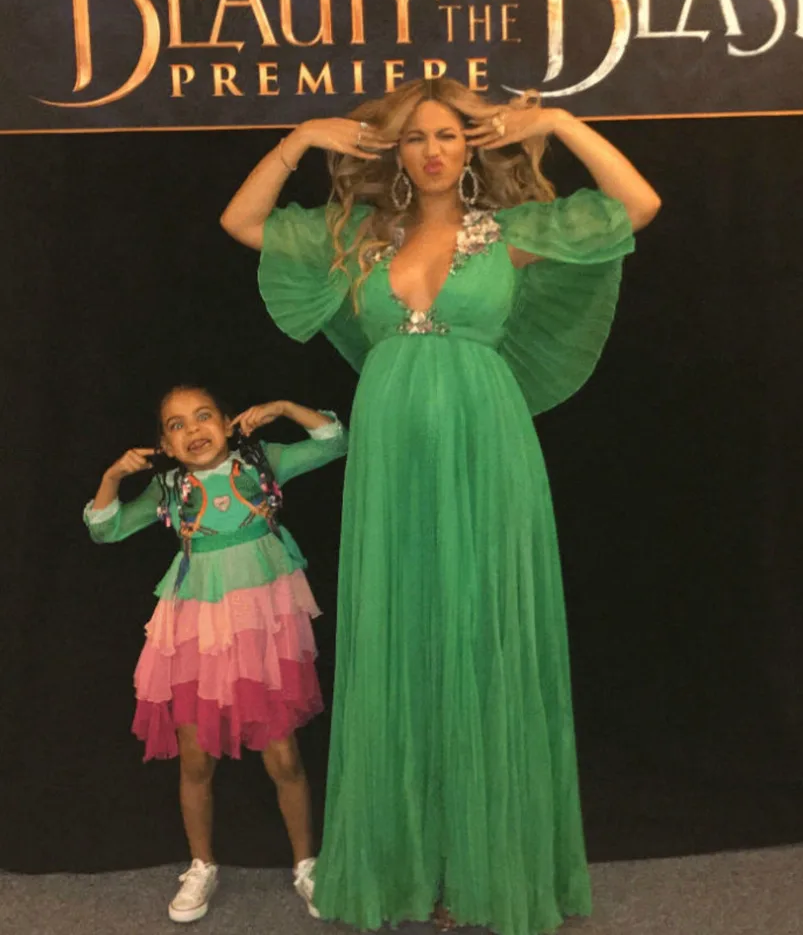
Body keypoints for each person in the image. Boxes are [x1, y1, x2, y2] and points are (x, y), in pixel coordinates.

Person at [220, 77, 661, 935]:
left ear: (472, 147)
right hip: (392, 460)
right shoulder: (359, 237)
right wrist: (300, 139)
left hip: (488, 449)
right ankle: (406, 868)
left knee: (482, 630)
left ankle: (487, 870)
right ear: (394, 149)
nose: (432, 149)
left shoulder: (511, 234)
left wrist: (558, 121)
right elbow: (243, 222)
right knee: (405, 631)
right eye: (417, 136)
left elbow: (637, 205)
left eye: (450, 134)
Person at [84, 387, 347, 923]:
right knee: (196, 755)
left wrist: (283, 410)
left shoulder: (262, 463)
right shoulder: (169, 488)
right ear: (165, 445)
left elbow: (333, 441)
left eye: (204, 417)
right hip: (195, 632)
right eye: (176, 425)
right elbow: (105, 528)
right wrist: (113, 476)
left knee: (283, 754)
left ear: (229, 424)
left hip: (262, 632)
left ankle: (306, 863)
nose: (193, 430)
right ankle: (202, 864)